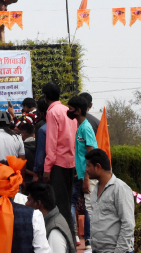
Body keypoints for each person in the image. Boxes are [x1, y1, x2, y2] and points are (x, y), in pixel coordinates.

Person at [42, 82, 77, 238]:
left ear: (45, 97)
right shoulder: (67, 110)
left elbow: (51, 142)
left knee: (59, 207)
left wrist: (47, 168)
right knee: (67, 204)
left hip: (57, 164)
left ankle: (65, 242)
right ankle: (71, 239)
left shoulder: (52, 112)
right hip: (71, 163)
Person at [86, 149, 135, 253]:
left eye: (88, 166)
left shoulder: (120, 189)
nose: (86, 169)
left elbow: (128, 224)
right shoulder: (95, 189)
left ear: (98, 167)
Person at [67, 96, 98, 249]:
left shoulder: (86, 128)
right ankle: (87, 242)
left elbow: (91, 151)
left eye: (71, 109)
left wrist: (86, 176)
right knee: (86, 206)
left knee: (91, 208)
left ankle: (92, 244)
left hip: (89, 175)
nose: (69, 111)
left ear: (78, 111)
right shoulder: (80, 126)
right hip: (81, 174)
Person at [25, 182, 76, 253]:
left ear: (38, 204)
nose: (25, 204)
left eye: (28, 200)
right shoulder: (52, 219)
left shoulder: (54, 232)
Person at [34, 98, 49, 181]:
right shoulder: (66, 124)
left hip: (45, 170)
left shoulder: (42, 128)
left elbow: (40, 151)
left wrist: (37, 172)